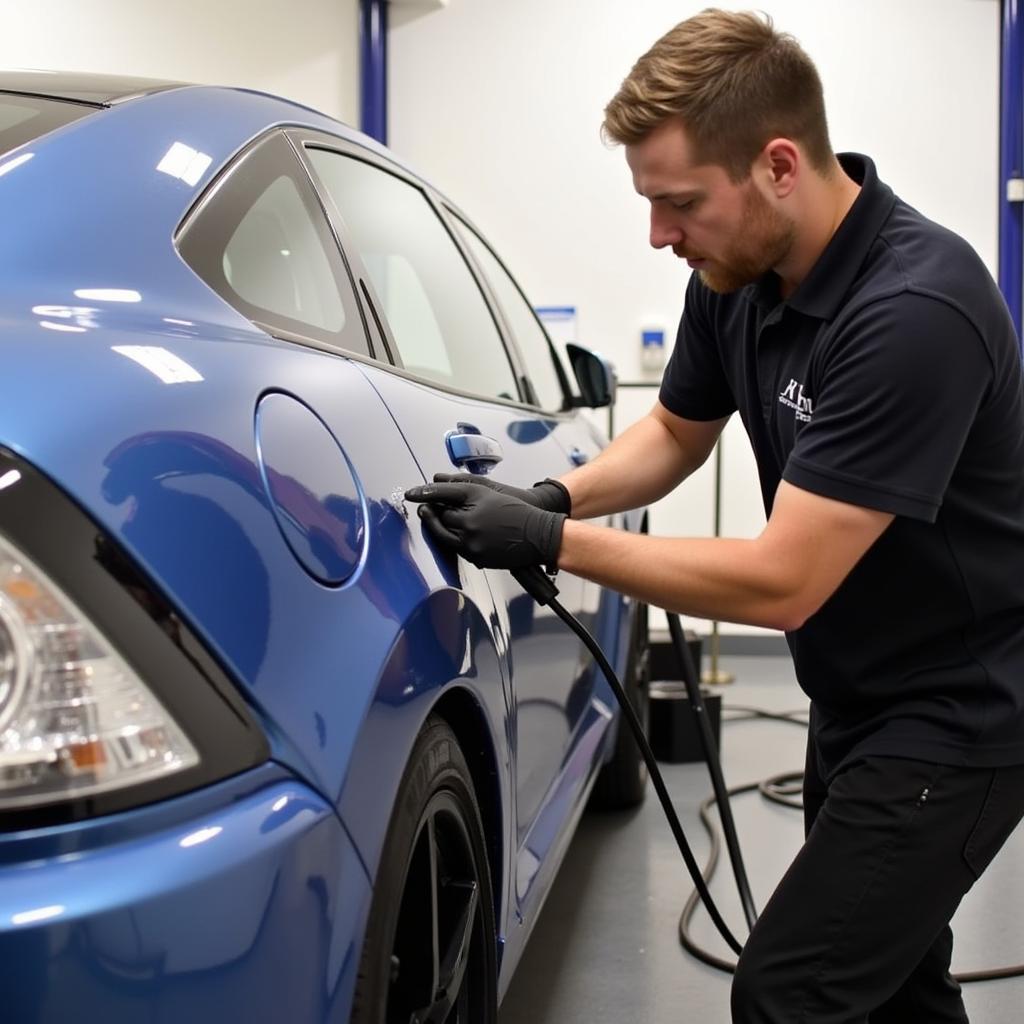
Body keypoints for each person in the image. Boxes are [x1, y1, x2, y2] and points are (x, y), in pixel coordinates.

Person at [405, 9, 1024, 1022]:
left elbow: (783, 581)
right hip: (860, 694)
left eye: (679, 203)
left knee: (792, 992)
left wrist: (555, 542)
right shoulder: (737, 273)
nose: (660, 235)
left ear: (778, 165)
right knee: (896, 988)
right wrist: (555, 494)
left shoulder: (914, 310)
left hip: (958, 716)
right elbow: (677, 433)